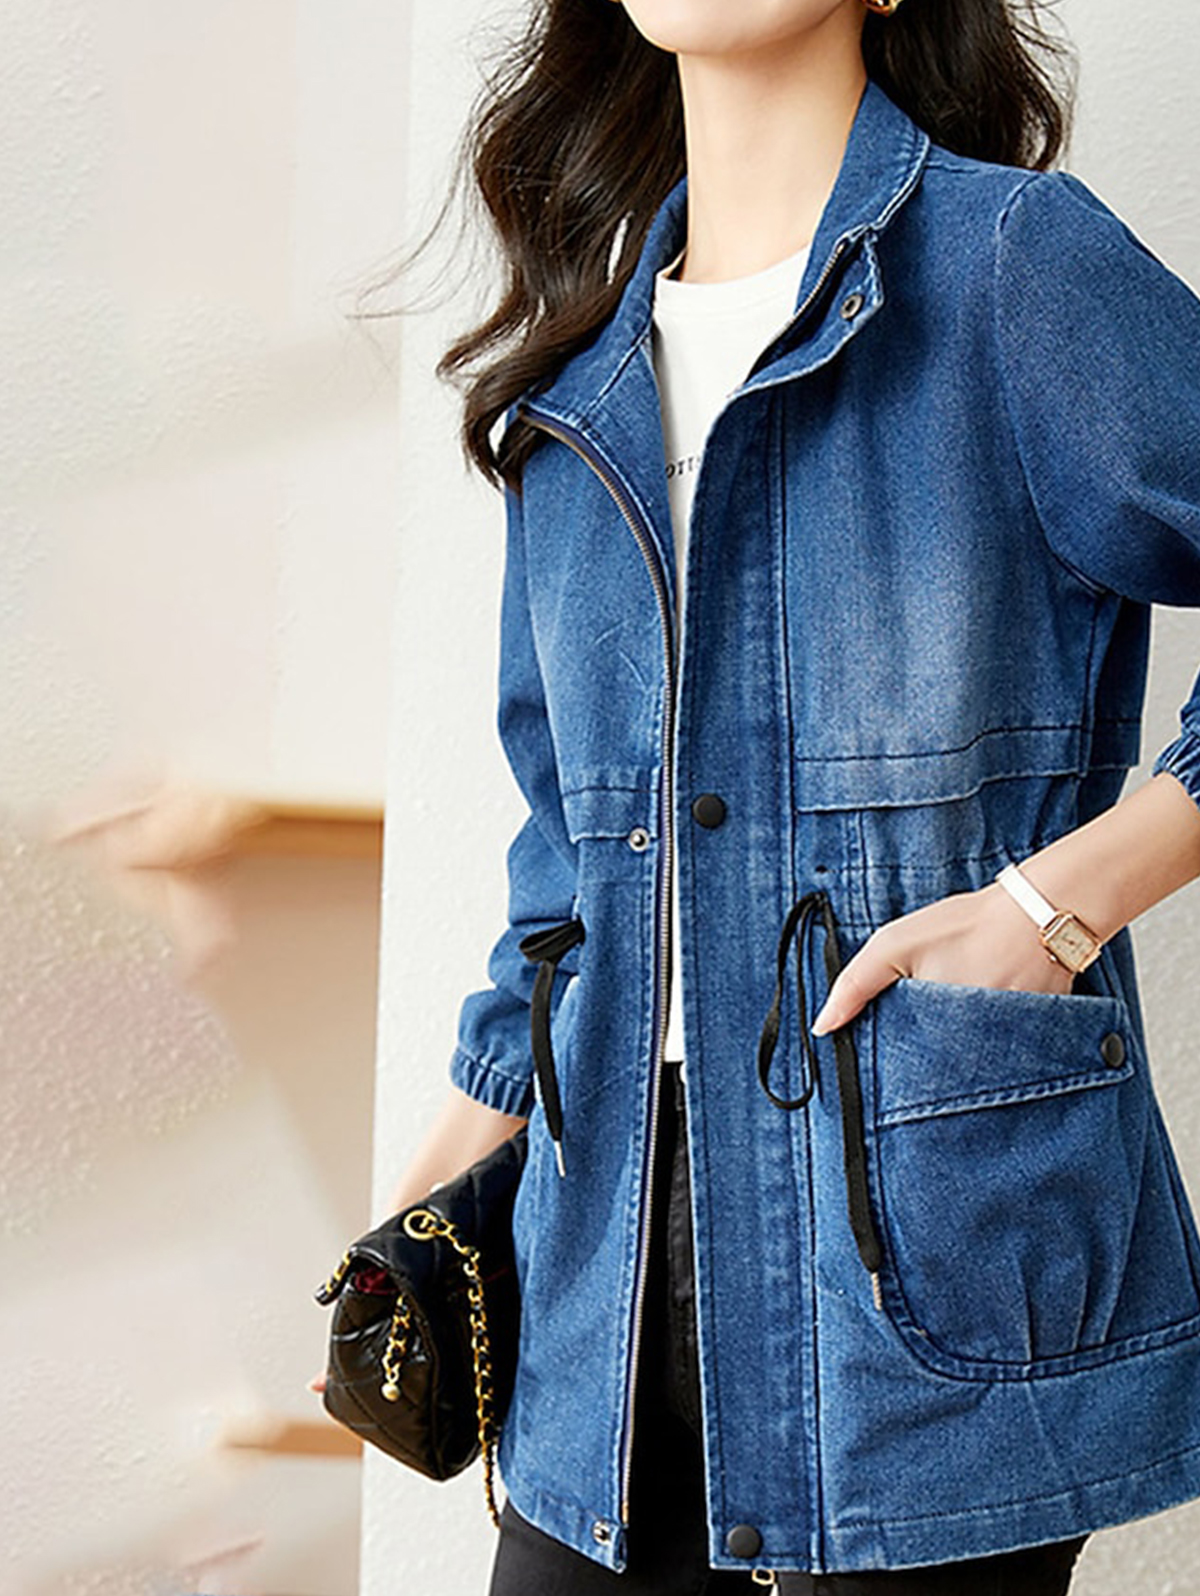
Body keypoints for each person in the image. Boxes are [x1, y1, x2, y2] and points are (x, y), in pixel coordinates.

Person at [349, 2, 1200, 1590]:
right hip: (597, 1270)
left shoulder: (1011, 268)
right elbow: (573, 873)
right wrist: (418, 1214)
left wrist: (1053, 909)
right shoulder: (579, 381)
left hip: (913, 1279)